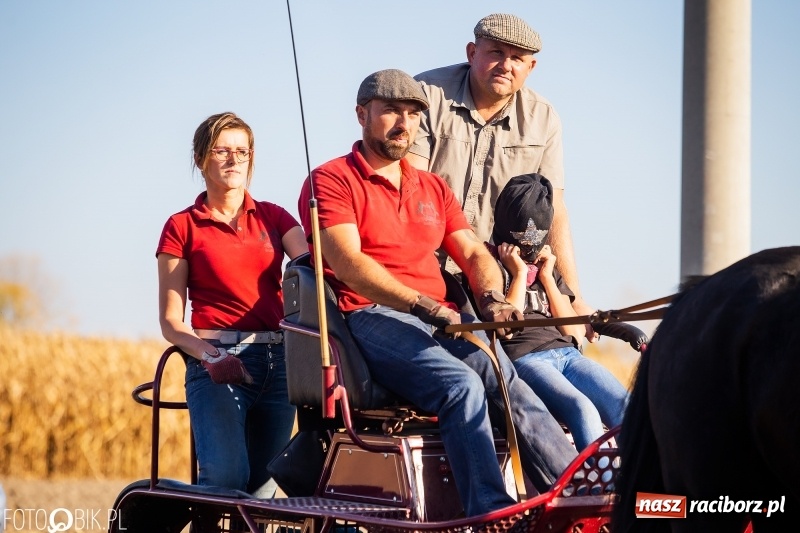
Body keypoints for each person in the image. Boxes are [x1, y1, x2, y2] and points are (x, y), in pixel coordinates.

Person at [297, 69, 577, 517]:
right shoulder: (331, 180)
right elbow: (350, 264)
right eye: (390, 111)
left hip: (440, 316)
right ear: (362, 115)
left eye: (411, 113)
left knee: (508, 382)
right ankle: (490, 512)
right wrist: (421, 304)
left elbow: (471, 251)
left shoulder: (431, 186)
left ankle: (572, 495)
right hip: (374, 315)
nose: (403, 123)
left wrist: (492, 300)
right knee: (461, 385)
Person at [406, 13, 598, 341]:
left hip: (497, 277)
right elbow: (407, 188)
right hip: (426, 267)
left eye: (517, 59)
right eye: (496, 52)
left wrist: (574, 297)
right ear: (471, 53)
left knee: (536, 362)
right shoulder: (427, 95)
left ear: (531, 68)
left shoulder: (543, 118)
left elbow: (555, 211)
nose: (506, 65)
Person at [156, 112, 308, 495]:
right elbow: (172, 323)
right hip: (218, 362)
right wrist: (210, 357)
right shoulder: (181, 226)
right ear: (200, 158)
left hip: (281, 366)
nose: (233, 160)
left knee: (263, 491)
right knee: (225, 482)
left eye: (242, 151)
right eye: (221, 150)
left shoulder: (275, 217)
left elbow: (312, 273)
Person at [491, 173, 629, 451]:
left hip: (566, 354)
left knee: (624, 405)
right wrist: (518, 274)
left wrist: (548, 278)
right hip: (527, 359)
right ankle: (594, 488)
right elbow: (507, 325)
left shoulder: (548, 269)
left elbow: (573, 332)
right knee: (582, 408)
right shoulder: (492, 267)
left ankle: (635, 483)